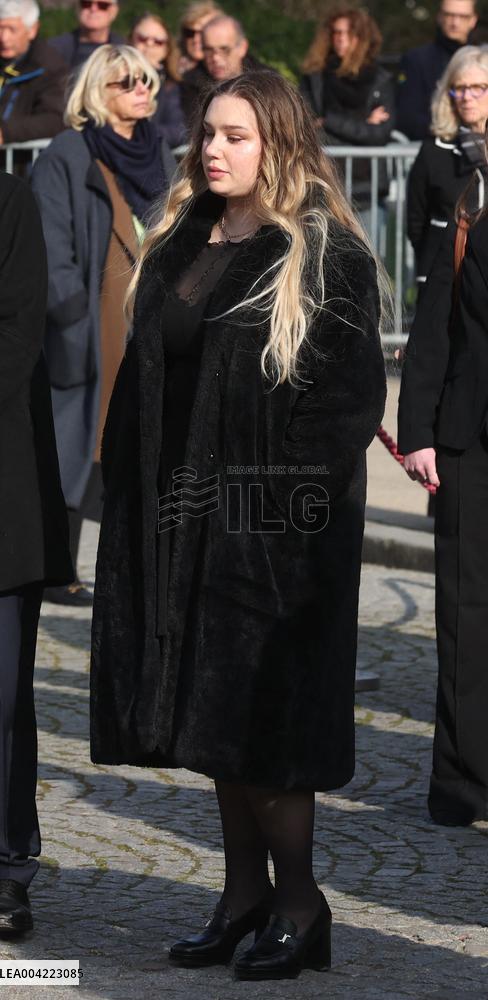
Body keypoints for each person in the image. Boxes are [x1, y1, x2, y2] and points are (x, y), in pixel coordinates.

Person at [90, 71, 386, 980]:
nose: (213, 150)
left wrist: (271, 523)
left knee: (268, 727)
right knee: (212, 718)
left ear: (279, 145)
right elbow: (150, 380)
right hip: (181, 523)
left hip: (274, 539)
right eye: (208, 133)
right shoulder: (184, 235)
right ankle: (242, 897)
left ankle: (300, 905)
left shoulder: (323, 254)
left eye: (235, 136)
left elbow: (342, 409)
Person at [31, 44, 175, 606]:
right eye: (126, 82)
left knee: (132, 448)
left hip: (144, 319)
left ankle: (132, 576)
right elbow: (50, 244)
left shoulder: (154, 150)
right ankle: (56, 571)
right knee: (75, 447)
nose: (141, 91)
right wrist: (71, 315)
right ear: (97, 91)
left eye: (146, 81)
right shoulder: (68, 153)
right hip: (90, 327)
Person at [398, 157, 488, 826]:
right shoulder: (468, 212)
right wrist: (417, 432)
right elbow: (435, 329)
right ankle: (460, 781)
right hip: (468, 442)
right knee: (465, 614)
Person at [0, 171, 72, 932]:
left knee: (1, 695)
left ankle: (6, 867)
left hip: (2, 488)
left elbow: (18, 333)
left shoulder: (9, 202)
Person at [300, 6, 394, 232]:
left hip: (367, 189)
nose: (341, 39)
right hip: (324, 185)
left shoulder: (380, 80)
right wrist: (362, 122)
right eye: (336, 32)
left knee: (369, 251)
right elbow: (307, 128)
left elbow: (379, 135)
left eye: (349, 33)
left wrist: (329, 122)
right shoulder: (315, 77)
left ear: (363, 38)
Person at [408, 45, 488, 292]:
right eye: (459, 88)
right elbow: (416, 221)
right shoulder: (434, 151)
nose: (466, 97)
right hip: (442, 279)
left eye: (478, 87)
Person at [397, 0, 478, 140]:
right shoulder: (416, 60)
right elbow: (408, 117)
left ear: (473, 20)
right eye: (449, 15)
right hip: (433, 142)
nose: (455, 23)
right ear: (440, 16)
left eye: (463, 16)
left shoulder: (482, 61)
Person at [180, 15, 265, 129]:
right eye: (208, 50)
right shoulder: (188, 86)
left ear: (242, 48)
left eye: (224, 49)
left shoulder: (267, 83)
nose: (215, 57)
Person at [0, 0, 67, 144]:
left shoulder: (50, 67)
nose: (4, 38)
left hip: (23, 156)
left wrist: (5, 132)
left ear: (32, 30)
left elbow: (55, 119)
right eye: (0, 28)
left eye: (12, 29)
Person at [129, 12, 187, 149]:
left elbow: (178, 131)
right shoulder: (113, 77)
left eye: (158, 42)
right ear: (131, 40)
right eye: (142, 39)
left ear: (166, 49)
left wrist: (134, 131)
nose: (149, 44)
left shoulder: (170, 86)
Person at [49, 0, 123, 71]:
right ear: (77, 8)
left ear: (114, 11)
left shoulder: (124, 52)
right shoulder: (52, 50)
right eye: (86, 3)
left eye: (102, 5)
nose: (93, 9)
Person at [178, 0, 222, 75]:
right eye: (190, 32)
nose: (196, 39)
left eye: (203, 33)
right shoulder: (172, 71)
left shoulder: (234, 72)